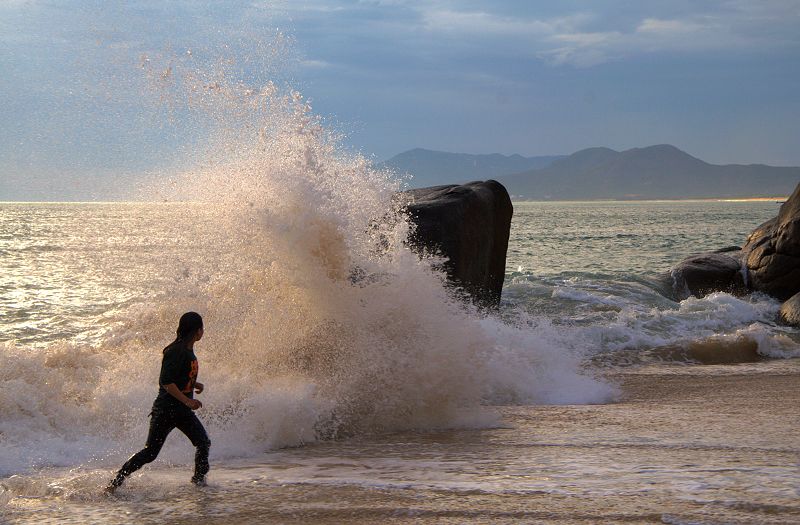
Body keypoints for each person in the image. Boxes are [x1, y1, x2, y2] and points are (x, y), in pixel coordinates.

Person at [106, 311, 210, 492]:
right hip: (166, 410)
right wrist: (188, 400)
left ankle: (198, 482)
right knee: (150, 453)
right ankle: (115, 483)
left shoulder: (187, 349)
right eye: (202, 328)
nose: (203, 331)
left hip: (181, 411)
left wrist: (194, 383)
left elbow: (178, 377)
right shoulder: (175, 351)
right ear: (196, 330)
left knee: (203, 442)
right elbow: (166, 382)